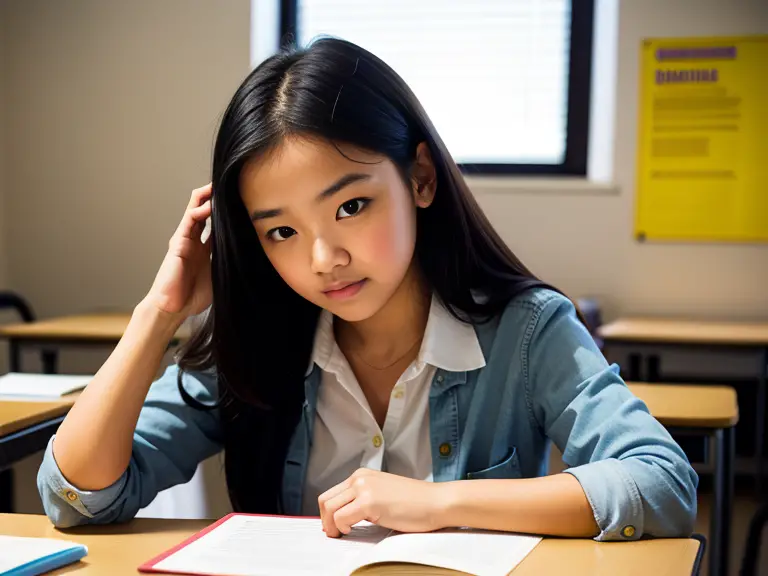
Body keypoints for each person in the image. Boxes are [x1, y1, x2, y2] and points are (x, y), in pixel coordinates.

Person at [38, 38, 697, 541]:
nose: (324, 259)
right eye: (281, 233)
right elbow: (77, 496)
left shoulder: (528, 332)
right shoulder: (261, 343)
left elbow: (660, 483)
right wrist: (159, 313)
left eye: (351, 207)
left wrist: (437, 504)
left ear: (420, 179)